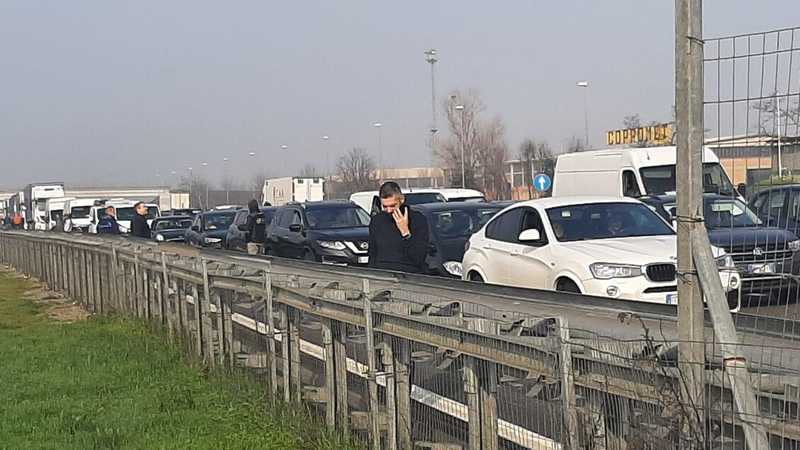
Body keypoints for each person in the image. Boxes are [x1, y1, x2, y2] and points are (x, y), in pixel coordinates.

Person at [368, 181, 430, 273]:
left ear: (401, 200)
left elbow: (419, 257)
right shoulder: (377, 221)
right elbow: (373, 254)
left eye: (393, 206)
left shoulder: (418, 219)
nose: (389, 210)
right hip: (382, 275)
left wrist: (405, 232)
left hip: (409, 276)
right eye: (385, 206)